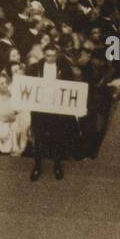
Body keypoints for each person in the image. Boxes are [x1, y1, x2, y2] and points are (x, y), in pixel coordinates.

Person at [25, 43, 80, 180]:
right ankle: (37, 166)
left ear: (57, 55)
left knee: (57, 138)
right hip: (40, 110)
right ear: (44, 54)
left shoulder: (64, 68)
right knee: (39, 138)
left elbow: (70, 86)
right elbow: (28, 87)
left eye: (53, 56)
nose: (50, 58)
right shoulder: (34, 68)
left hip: (56, 109)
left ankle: (57, 165)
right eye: (48, 55)